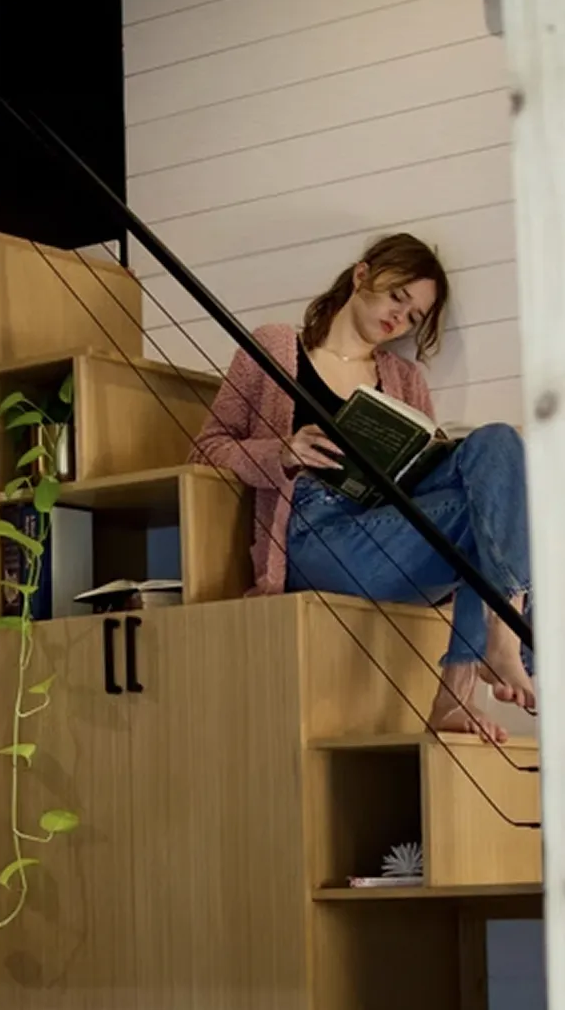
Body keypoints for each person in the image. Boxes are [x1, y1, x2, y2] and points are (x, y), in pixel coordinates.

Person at [190, 233, 532, 743]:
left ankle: (479, 661)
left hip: (387, 524)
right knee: (488, 510)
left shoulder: (405, 377)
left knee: (498, 449)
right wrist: (281, 451)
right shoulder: (276, 347)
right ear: (362, 275)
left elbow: (434, 474)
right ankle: (495, 646)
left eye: (415, 316)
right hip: (313, 531)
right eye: (398, 297)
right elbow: (208, 447)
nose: (401, 319)